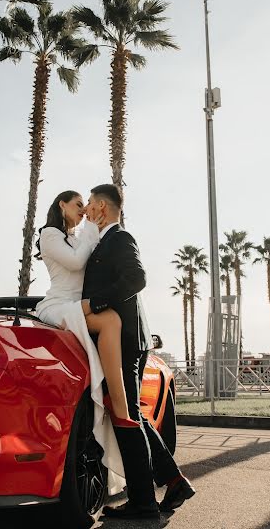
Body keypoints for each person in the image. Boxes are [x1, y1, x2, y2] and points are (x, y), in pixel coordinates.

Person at [81, 184, 196, 520]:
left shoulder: (120, 239)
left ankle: (144, 502)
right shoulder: (104, 241)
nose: (87, 208)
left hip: (127, 340)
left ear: (102, 207)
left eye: (90, 203)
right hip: (127, 338)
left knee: (126, 416)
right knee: (132, 413)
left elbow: (137, 278)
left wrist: (100, 303)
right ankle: (173, 482)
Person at [34, 190, 137, 492]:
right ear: (61, 205)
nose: (83, 210)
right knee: (110, 318)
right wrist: (93, 228)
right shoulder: (50, 235)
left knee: (112, 320)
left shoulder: (78, 236)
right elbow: (77, 264)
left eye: (86, 205)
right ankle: (119, 404)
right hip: (58, 307)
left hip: (77, 306)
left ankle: (117, 402)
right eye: (78, 204)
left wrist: (91, 230)